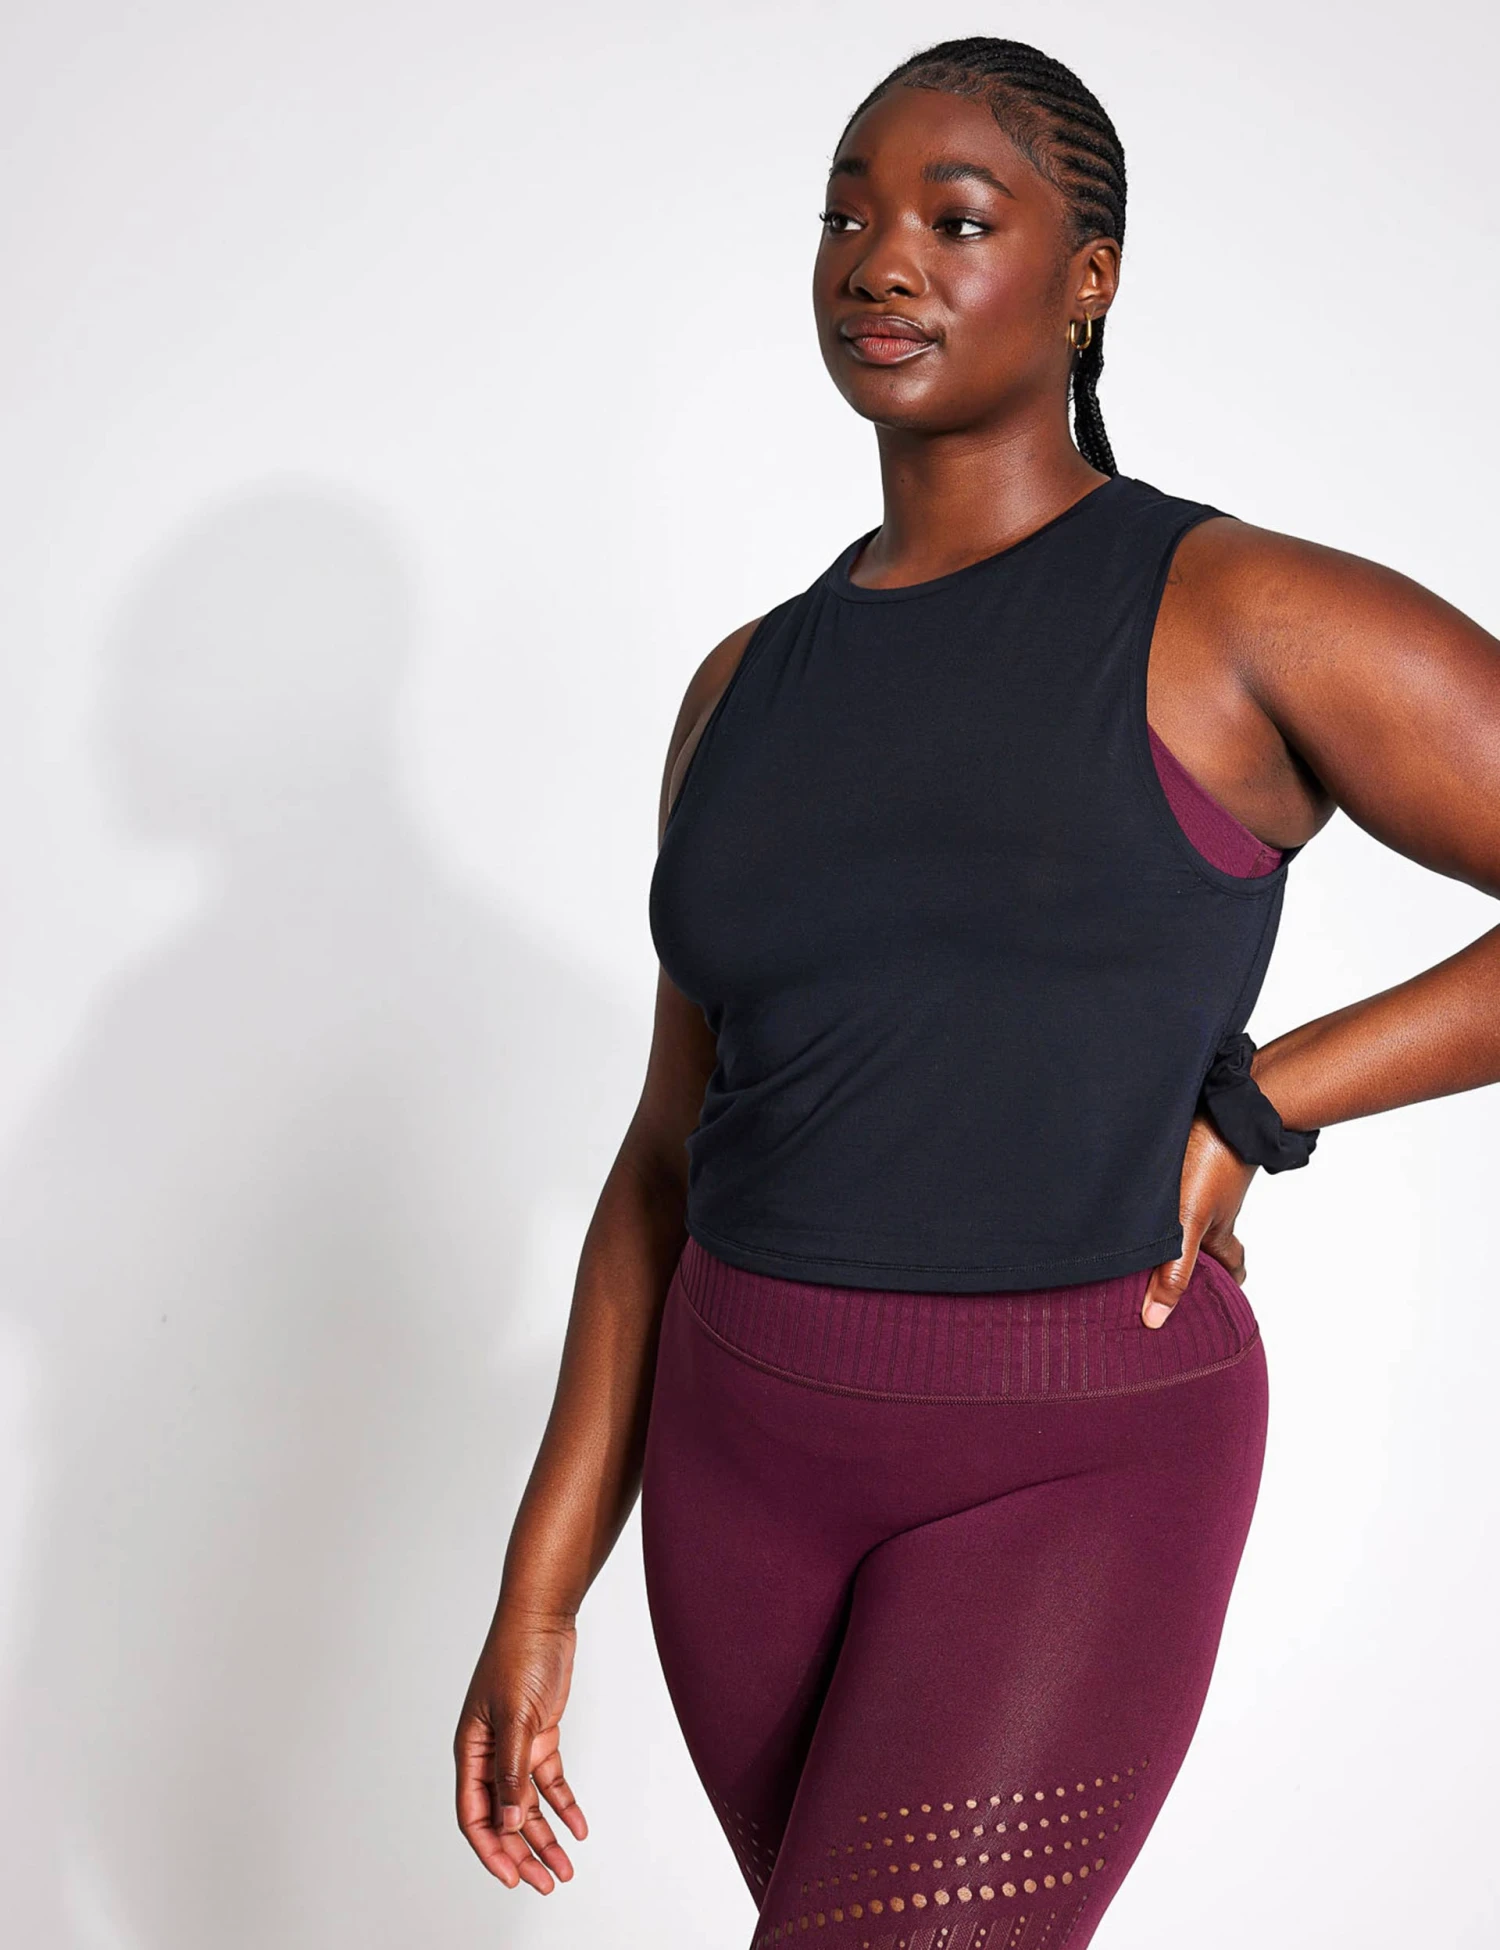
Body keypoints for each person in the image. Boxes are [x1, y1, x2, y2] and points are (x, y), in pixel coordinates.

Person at [453, 36, 1500, 1948]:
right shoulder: (739, 689)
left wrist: (1274, 1095)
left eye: (955, 219)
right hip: (740, 1474)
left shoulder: (1232, 612)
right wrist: (539, 1589)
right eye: (846, 215)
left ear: (1089, 277)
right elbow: (668, 1159)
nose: (882, 260)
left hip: (1077, 1458)